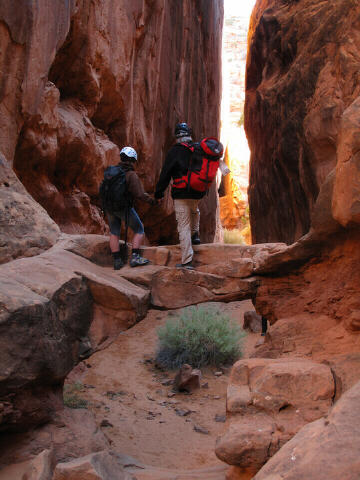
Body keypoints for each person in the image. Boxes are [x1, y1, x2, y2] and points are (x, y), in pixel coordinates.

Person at [154, 122, 203, 270]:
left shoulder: (174, 152)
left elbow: (165, 174)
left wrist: (159, 193)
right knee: (195, 210)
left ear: (177, 136)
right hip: (197, 191)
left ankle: (187, 261)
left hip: (181, 193)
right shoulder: (198, 149)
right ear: (189, 134)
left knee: (183, 226)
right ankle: (196, 234)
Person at [106, 146, 156, 270]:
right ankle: (135, 257)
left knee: (114, 232)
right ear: (133, 160)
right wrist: (152, 201)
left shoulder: (111, 172)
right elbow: (139, 194)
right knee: (139, 229)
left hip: (109, 207)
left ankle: (117, 260)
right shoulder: (131, 174)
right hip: (123, 207)